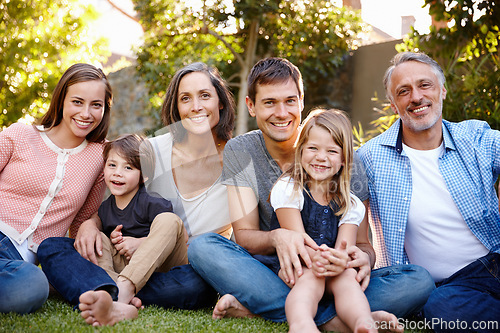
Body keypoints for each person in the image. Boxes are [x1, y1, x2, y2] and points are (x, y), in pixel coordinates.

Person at [188, 57, 434, 331]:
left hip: (338, 276)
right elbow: (245, 237)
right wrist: (278, 237)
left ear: (302, 100)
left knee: (419, 280)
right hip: (278, 273)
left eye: (290, 101)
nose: (282, 113)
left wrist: (362, 258)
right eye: (269, 102)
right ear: (251, 105)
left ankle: (267, 310)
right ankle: (339, 320)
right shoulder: (242, 151)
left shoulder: (344, 156)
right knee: (203, 247)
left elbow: (362, 244)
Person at [37, 62, 235, 326]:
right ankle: (112, 294)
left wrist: (148, 244)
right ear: (175, 107)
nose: (195, 106)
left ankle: (109, 292)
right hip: (123, 258)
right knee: (52, 247)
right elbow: (114, 199)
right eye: (185, 98)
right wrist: (89, 224)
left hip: (180, 265)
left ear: (220, 102)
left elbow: (235, 241)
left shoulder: (239, 159)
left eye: (205, 96)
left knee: (196, 283)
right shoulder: (150, 150)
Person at [357, 51, 500, 333]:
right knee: (442, 310)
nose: (416, 97)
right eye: (404, 91)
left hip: (495, 263)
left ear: (442, 90)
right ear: (393, 103)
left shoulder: (474, 138)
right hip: (446, 289)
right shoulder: (370, 157)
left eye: (425, 85)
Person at [0, 63, 112, 314]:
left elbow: (83, 219)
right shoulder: (20, 135)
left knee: (32, 286)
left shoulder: (100, 157)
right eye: (77, 102)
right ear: (61, 100)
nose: (86, 113)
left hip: (20, 266)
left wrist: (91, 224)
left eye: (96, 105)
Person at [269, 109, 380, 332]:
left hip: (331, 270)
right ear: (300, 152)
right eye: (313, 148)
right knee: (312, 276)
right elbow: (298, 244)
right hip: (295, 266)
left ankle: (363, 322)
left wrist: (340, 261)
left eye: (331, 151)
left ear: (343, 160)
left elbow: (344, 249)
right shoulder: (288, 189)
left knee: (348, 276)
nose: (321, 157)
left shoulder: (351, 204)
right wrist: (325, 262)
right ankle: (302, 324)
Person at [95, 133, 188, 308]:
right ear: (104, 168)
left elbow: (179, 236)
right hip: (123, 269)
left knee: (169, 220)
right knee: (98, 238)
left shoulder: (151, 202)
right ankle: (113, 290)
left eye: (128, 168)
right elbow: (108, 249)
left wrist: (141, 243)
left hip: (159, 268)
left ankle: (123, 291)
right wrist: (115, 240)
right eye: (112, 165)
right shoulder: (105, 209)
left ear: (144, 176)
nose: (117, 173)